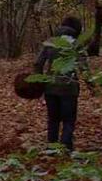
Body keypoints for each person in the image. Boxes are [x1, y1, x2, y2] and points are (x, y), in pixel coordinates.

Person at [34, 17, 85, 151]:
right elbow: (84, 67)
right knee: (69, 120)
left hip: (50, 87)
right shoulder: (76, 44)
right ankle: (66, 149)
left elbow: (38, 63)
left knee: (53, 119)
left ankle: (51, 148)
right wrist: (92, 86)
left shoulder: (50, 42)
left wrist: (40, 82)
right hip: (69, 88)